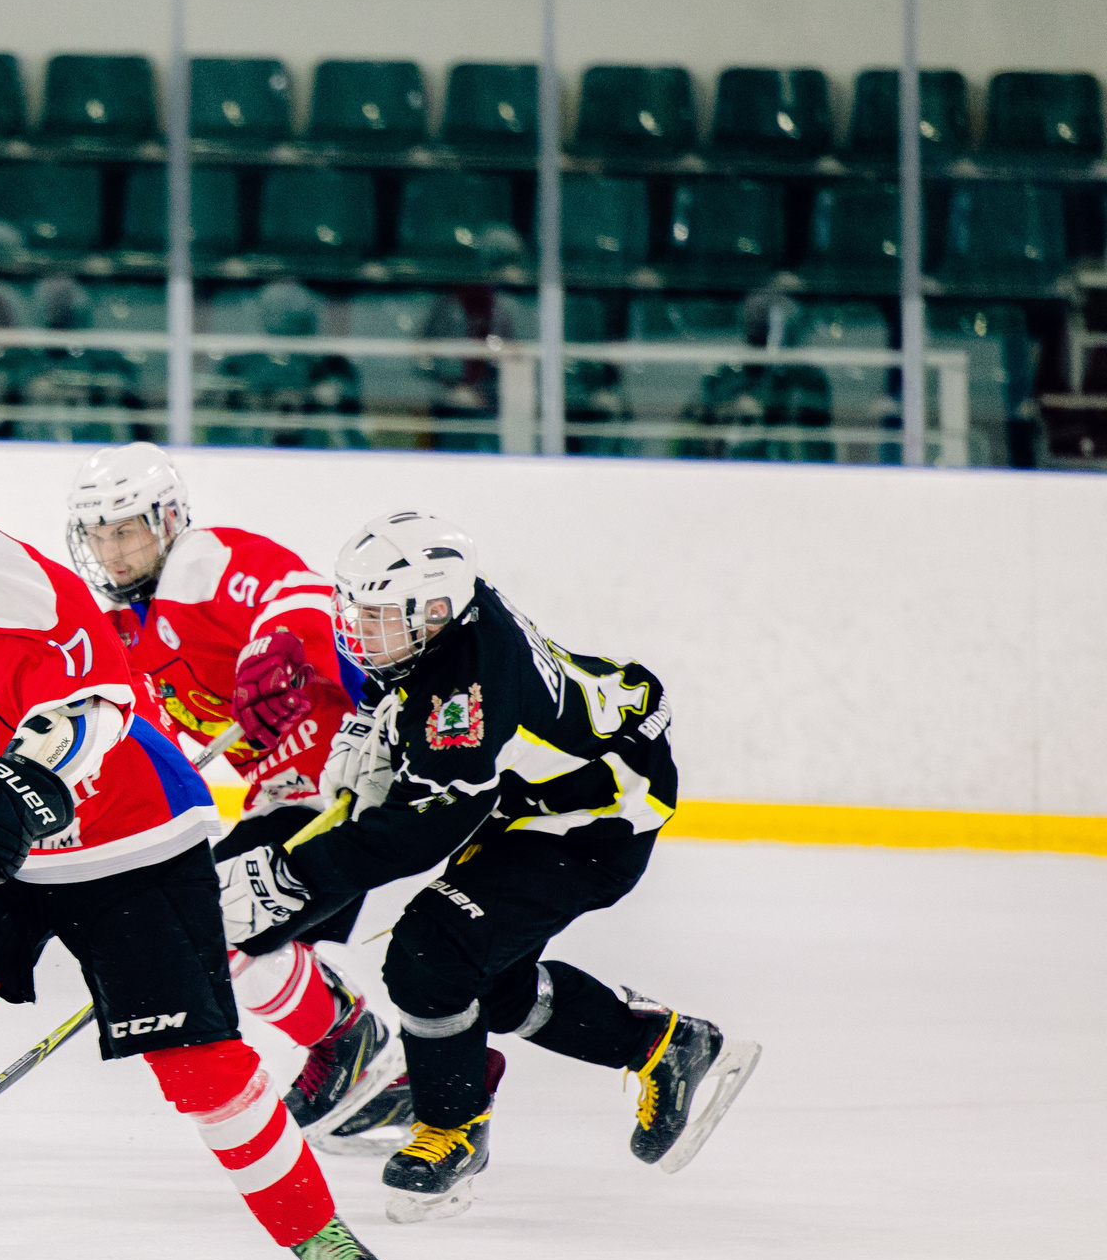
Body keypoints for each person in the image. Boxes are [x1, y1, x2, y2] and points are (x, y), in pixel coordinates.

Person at [0, 411, 391, 1260]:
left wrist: (19, 789)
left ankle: (320, 1233)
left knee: (200, 1066)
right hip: (4, 834)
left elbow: (97, 705)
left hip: (130, 837)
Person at [228, 510, 762, 1222]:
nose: (360, 631)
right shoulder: (445, 625)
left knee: (431, 951)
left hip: (596, 817)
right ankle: (665, 1045)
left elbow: (420, 832)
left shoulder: (467, 689)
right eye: (358, 610)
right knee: (487, 982)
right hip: (536, 798)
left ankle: (451, 1129)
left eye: (379, 616)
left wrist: (293, 874)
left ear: (434, 610)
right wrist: (369, 724)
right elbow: (406, 700)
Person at [64, 443, 403, 1148]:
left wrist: (272, 647)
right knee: (204, 926)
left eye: (125, 530)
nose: (112, 550)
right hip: (281, 795)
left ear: (167, 520)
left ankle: (350, 1038)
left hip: (346, 777)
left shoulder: (203, 562)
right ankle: (400, 1084)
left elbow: (306, 597)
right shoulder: (125, 631)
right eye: (98, 534)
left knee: (211, 922)